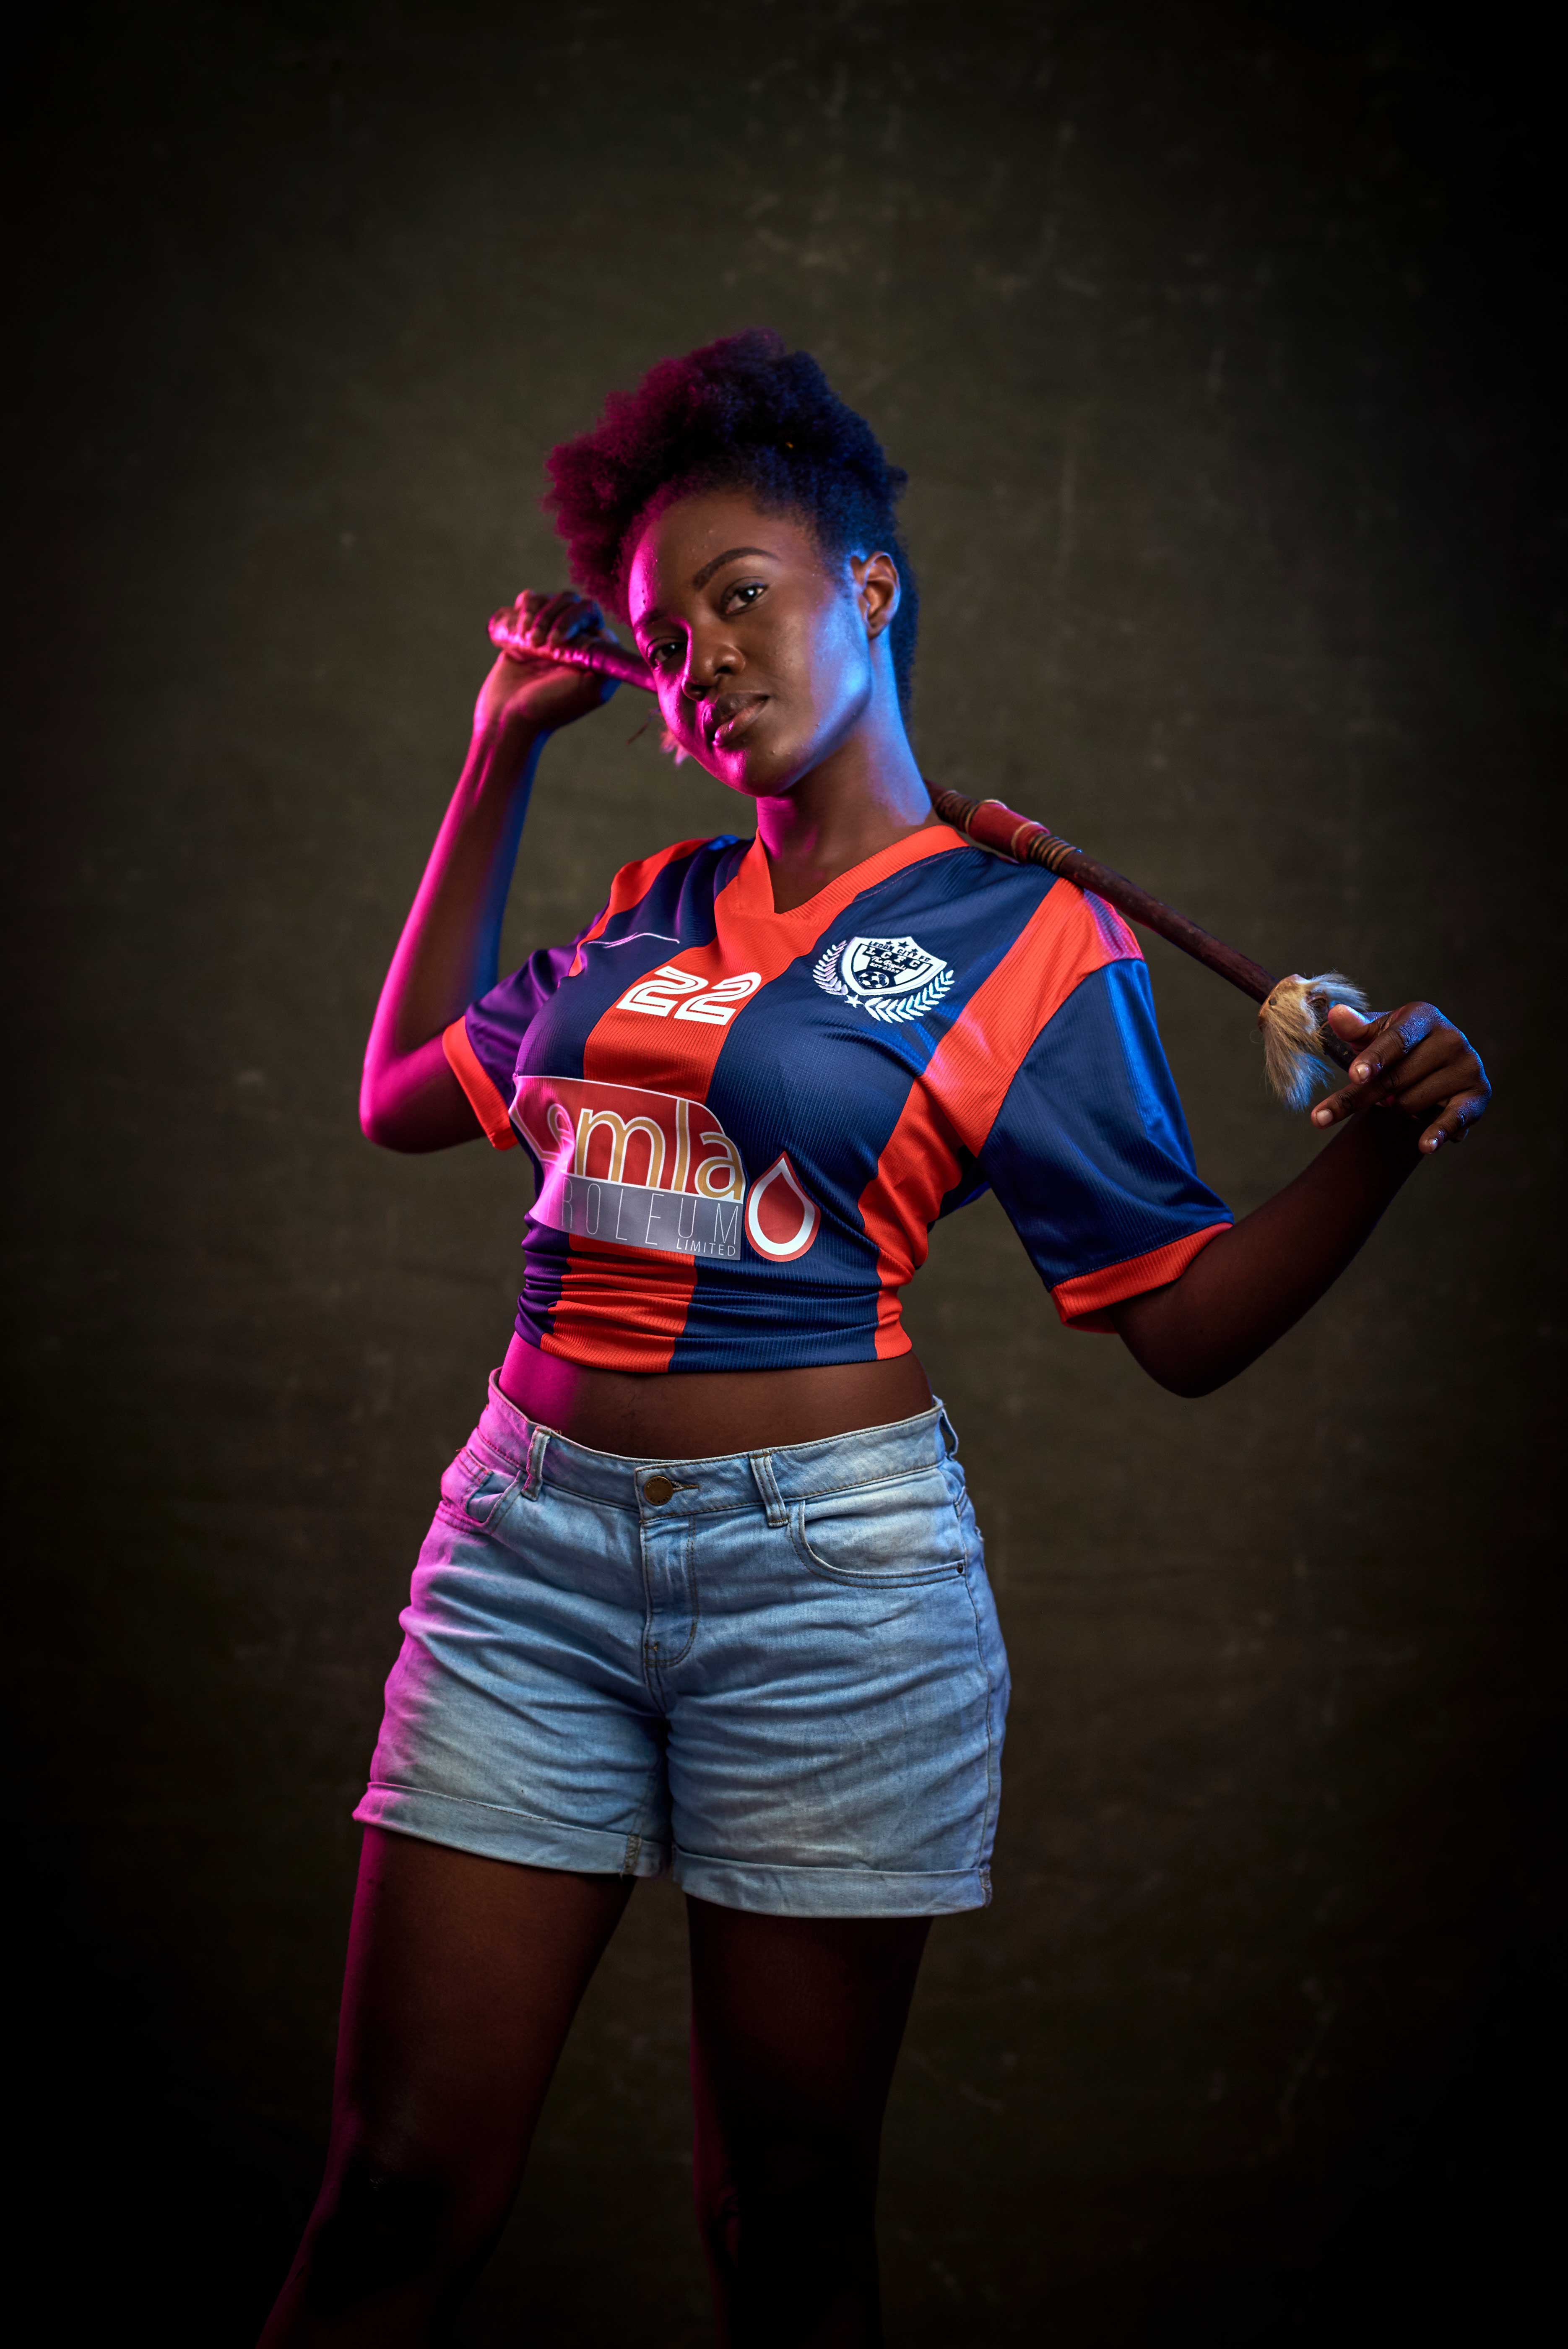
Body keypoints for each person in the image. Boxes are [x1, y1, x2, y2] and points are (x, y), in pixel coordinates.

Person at [260, 331, 1490, 2347]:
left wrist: (1376, 1148)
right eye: (667, 641)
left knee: (785, 2223)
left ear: (870, 586)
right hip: (524, 1569)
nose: (702, 664)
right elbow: (403, 1091)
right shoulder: (649, 901)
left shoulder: (1033, 931)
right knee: (395, 2190)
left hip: (823, 1591)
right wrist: (499, 749)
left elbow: (1178, 1325)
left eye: (742, 597)